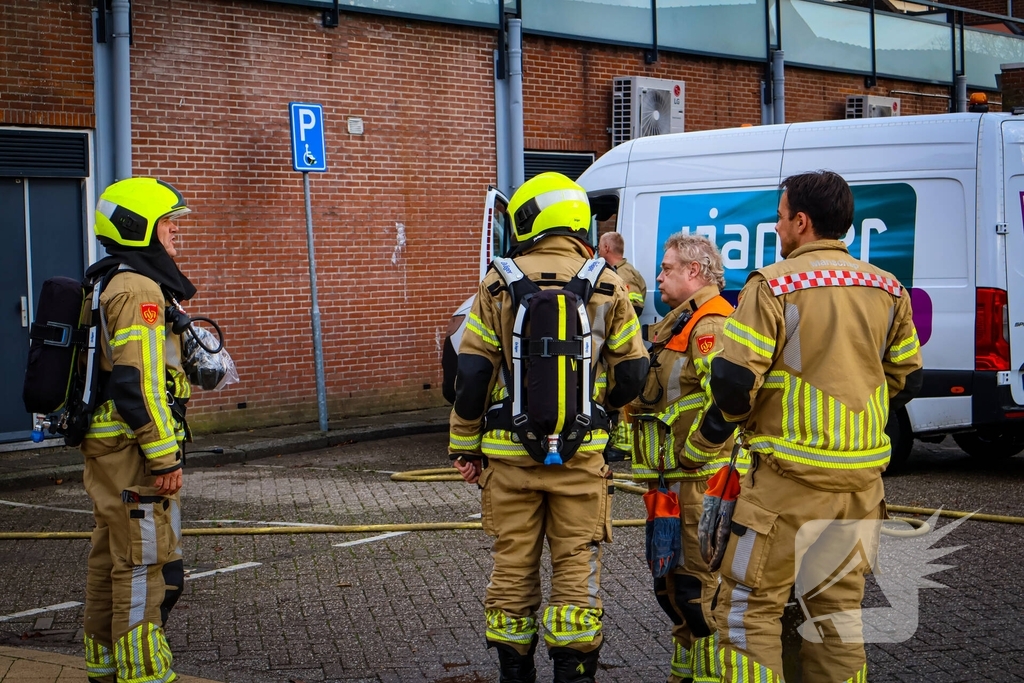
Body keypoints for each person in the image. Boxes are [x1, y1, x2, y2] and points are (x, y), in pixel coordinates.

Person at [709, 170, 923, 682]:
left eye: (781, 217)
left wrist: (722, 431)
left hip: (787, 486)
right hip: (861, 488)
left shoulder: (774, 285)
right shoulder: (888, 288)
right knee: (836, 620)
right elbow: (907, 376)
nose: (777, 226)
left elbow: (736, 383)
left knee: (747, 614)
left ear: (801, 222)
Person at [448, 172, 649, 683]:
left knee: (513, 567)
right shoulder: (608, 282)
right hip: (581, 460)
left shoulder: (497, 281)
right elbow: (633, 371)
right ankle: (574, 673)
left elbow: (470, 374)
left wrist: (465, 446)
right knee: (576, 569)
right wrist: (596, 407)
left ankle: (514, 674)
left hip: (509, 460)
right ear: (577, 218)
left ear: (527, 218)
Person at [80, 177, 197, 683]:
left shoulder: (108, 279)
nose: (175, 234)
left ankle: (102, 664)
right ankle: (143, 672)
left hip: (108, 445)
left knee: (110, 555)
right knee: (143, 565)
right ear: (139, 227)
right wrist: (165, 457)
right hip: (134, 450)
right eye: (169, 224)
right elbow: (139, 384)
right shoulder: (140, 289)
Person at [629, 233, 746, 683]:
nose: (658, 276)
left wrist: (697, 452)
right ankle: (687, 672)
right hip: (671, 483)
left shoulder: (710, 326)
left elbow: (728, 402)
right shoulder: (679, 323)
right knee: (672, 588)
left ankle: (713, 676)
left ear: (694, 272)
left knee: (699, 591)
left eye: (668, 268)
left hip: (700, 481)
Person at [599, 231, 647, 317]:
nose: (598, 252)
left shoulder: (624, 273)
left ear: (606, 248)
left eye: (599, 248)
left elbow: (635, 306)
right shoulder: (617, 270)